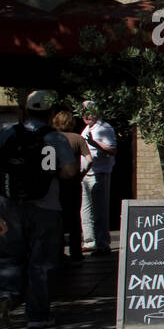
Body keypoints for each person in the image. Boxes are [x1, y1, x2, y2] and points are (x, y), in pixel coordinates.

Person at [0, 90, 77, 329]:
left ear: (24, 111)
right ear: (51, 113)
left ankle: (6, 297)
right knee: (41, 260)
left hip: (9, 205)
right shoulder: (55, 138)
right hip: (46, 206)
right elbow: (69, 172)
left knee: (9, 256)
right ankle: (38, 315)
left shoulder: (6, 134)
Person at [51, 110, 91, 263]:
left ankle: (58, 252)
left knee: (57, 218)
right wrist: (82, 173)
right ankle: (76, 253)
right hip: (73, 182)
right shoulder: (78, 139)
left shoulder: (51, 138)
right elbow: (90, 160)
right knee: (74, 217)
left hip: (55, 183)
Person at [79, 101, 117, 256]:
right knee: (85, 209)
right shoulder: (87, 128)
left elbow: (113, 150)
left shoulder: (104, 128)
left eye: (90, 112)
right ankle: (90, 241)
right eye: (84, 112)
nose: (87, 115)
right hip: (85, 174)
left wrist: (95, 143)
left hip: (99, 173)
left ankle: (102, 243)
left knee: (100, 210)